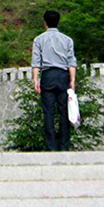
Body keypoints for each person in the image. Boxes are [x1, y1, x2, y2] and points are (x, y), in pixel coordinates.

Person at [32, 10, 76, 151]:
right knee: (64, 112)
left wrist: (35, 80)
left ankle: (51, 146)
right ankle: (64, 146)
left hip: (48, 76)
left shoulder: (39, 40)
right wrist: (72, 80)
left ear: (45, 22)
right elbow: (71, 62)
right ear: (58, 22)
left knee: (48, 112)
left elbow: (36, 62)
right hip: (63, 75)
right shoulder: (67, 40)